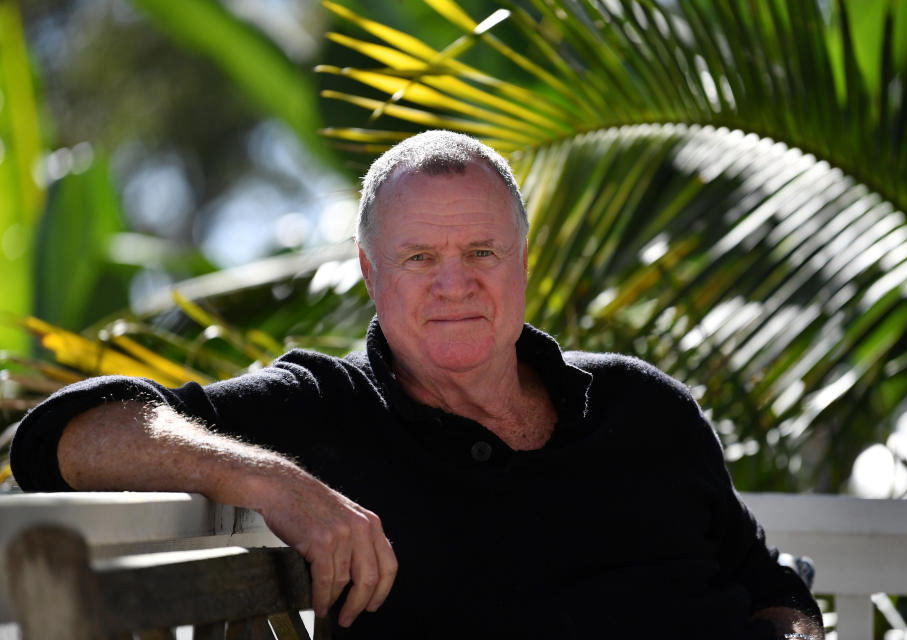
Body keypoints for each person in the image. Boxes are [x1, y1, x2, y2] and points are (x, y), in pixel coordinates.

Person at [11, 130, 823, 639]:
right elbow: (59, 438)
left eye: (481, 253)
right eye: (419, 258)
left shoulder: (642, 406)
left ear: (523, 262)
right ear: (370, 273)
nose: (454, 285)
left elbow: (770, 585)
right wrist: (274, 480)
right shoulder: (325, 411)